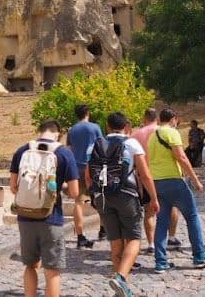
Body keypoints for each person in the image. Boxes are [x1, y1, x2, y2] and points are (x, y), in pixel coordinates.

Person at [86, 112, 159, 297]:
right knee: (134, 238)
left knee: (115, 241)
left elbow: (88, 176)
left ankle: (120, 289)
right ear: (125, 126)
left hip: (103, 197)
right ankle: (121, 278)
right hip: (126, 195)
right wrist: (154, 198)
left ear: (107, 126)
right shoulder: (131, 144)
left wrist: (94, 196)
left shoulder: (94, 145)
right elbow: (144, 174)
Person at [10, 120, 79, 297]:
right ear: (58, 133)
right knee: (52, 271)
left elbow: (13, 187)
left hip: (25, 217)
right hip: (51, 218)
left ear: (40, 131)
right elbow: (74, 192)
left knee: (31, 266)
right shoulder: (64, 153)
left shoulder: (22, 150)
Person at [147, 108, 205, 273]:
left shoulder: (152, 137)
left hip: (158, 182)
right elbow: (182, 157)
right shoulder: (172, 133)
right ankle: (199, 255)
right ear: (174, 119)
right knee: (192, 217)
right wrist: (196, 180)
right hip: (174, 181)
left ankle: (160, 261)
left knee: (162, 222)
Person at [130, 108, 180, 254]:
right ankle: (171, 237)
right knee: (172, 207)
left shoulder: (136, 135)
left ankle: (151, 243)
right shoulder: (164, 131)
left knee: (149, 210)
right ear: (156, 117)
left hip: (145, 175)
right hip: (165, 174)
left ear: (145, 118)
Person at [66, 104, 105, 248]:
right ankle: (103, 229)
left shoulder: (71, 130)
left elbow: (69, 150)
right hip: (93, 167)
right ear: (88, 113)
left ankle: (80, 236)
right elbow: (101, 146)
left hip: (77, 168)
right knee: (101, 198)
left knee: (78, 202)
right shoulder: (95, 128)